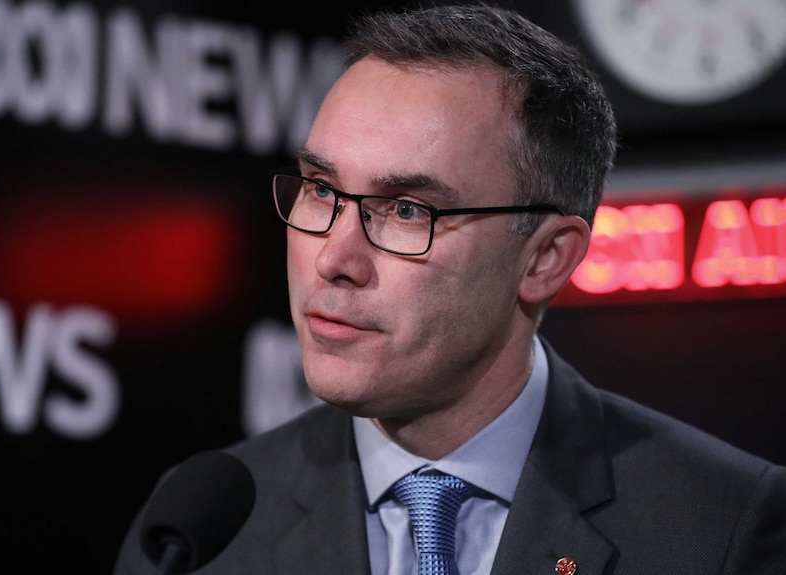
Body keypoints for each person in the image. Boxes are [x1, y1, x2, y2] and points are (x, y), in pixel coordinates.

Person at [115, 4, 786, 574]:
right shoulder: (200, 535)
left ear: (546, 259)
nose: (335, 259)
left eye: (407, 209)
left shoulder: (721, 527)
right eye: (322, 189)